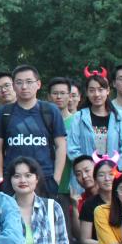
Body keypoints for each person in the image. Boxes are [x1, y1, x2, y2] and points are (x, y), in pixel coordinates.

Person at [0, 65, 67, 195]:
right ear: (14, 86)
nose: (24, 87)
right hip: (13, 179)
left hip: (44, 178)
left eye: (29, 82)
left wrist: (56, 179)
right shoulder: (4, 113)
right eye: (19, 82)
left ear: (38, 84)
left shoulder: (50, 111)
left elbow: (61, 145)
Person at [67, 69, 122, 178]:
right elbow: (72, 148)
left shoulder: (119, 116)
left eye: (100, 89)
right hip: (86, 177)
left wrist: (113, 169)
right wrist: (89, 169)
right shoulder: (79, 117)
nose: (96, 94)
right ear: (87, 92)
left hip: (113, 175)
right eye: (92, 90)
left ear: (108, 91)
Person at [77, 156, 115, 244]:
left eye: (111, 174)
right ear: (96, 179)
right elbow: (85, 240)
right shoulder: (89, 204)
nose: (107, 178)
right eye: (101, 175)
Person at [46, 76, 76, 207]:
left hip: (70, 183)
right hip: (46, 183)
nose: (59, 97)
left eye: (63, 93)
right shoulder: (42, 122)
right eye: (55, 93)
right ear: (48, 96)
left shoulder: (77, 121)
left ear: (70, 96)